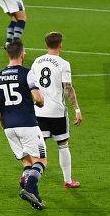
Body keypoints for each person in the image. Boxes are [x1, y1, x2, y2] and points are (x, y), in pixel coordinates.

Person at [0, 40, 49, 211]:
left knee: (27, 162)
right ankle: (28, 190)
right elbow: (39, 98)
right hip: (27, 124)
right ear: (22, 54)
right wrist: (40, 104)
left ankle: (36, 198)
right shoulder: (27, 74)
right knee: (41, 161)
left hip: (9, 127)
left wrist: (0, 118)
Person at [31, 31, 83, 189]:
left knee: (38, 147)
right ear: (60, 44)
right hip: (57, 112)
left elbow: (31, 86)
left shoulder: (36, 62)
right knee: (63, 144)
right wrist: (77, 109)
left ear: (46, 44)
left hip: (38, 111)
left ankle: (28, 175)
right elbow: (68, 88)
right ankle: (68, 180)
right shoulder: (63, 64)